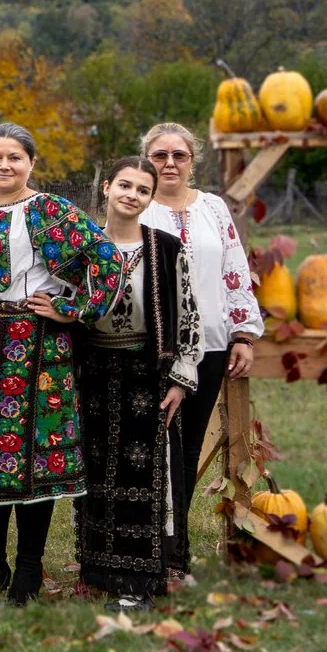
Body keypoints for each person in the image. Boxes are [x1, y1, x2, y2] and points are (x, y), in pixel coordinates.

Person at [0, 122, 125, 605]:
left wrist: (71, 308)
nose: (5, 166)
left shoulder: (49, 211)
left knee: (34, 456)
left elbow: (107, 260)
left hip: (33, 349)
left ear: (31, 163)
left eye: (15, 157)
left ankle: (29, 570)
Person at [137, 122, 262, 584]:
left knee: (186, 451)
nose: (169, 163)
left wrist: (243, 334)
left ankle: (175, 557)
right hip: (149, 350)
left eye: (179, 155)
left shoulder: (212, 208)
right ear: (147, 160)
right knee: (150, 450)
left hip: (208, 346)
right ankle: (140, 554)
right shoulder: (136, 205)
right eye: (159, 155)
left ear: (193, 160)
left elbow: (235, 269)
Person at [76, 156, 198, 610]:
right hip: (93, 372)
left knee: (142, 474)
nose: (131, 194)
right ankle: (97, 570)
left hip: (147, 373)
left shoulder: (166, 248)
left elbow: (188, 315)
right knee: (94, 472)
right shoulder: (84, 247)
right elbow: (67, 300)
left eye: (142, 190)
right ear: (107, 188)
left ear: (150, 199)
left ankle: (139, 581)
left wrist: (180, 380)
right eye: (124, 185)